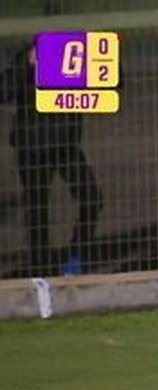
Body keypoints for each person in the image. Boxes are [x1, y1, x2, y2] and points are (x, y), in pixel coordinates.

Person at [0, 42, 103, 277]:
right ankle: (41, 270)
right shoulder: (26, 56)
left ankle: (75, 257)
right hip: (32, 147)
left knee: (92, 199)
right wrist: (28, 63)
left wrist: (101, 59)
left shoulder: (76, 52)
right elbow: (3, 92)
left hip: (65, 146)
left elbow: (114, 81)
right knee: (37, 210)